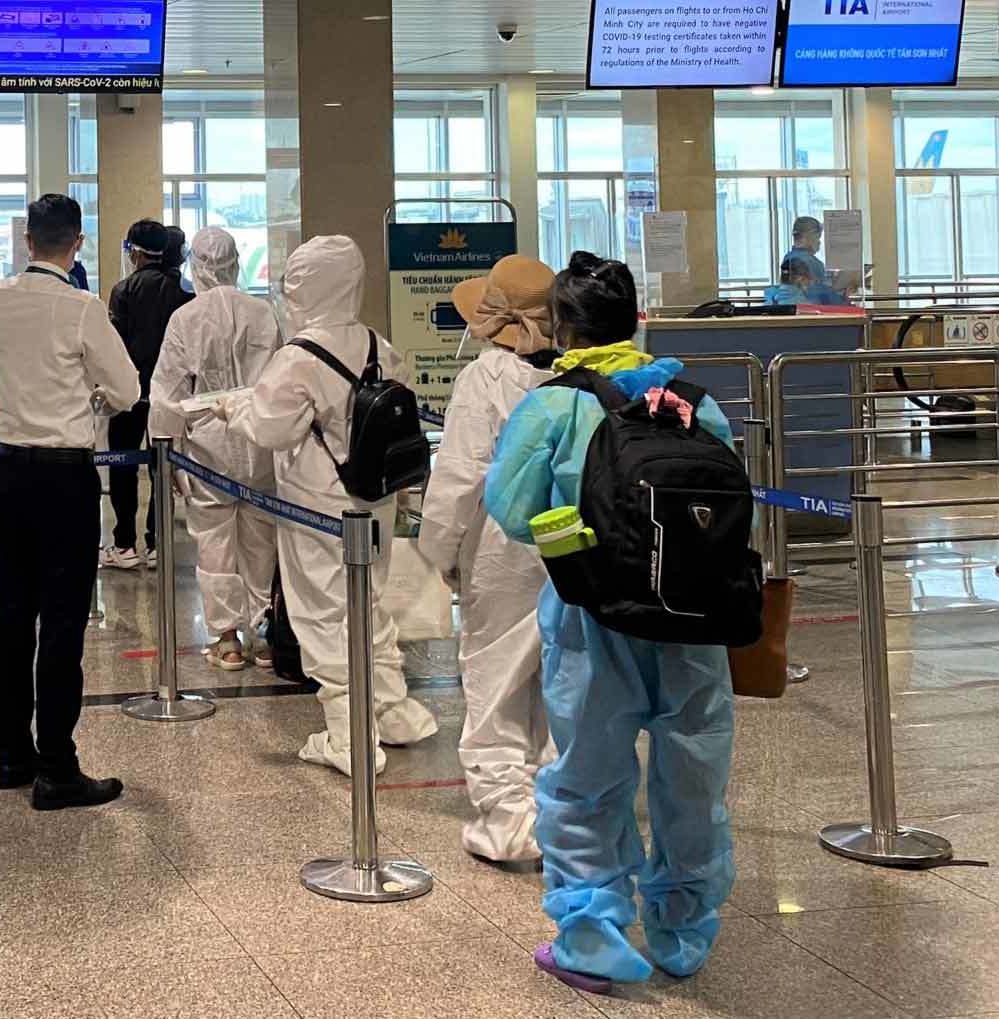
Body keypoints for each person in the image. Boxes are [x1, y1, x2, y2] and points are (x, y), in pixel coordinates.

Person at [485, 252, 736, 988]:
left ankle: (593, 934)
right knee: (692, 775)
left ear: (562, 328)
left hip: (593, 615)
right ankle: (683, 928)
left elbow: (511, 510)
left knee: (587, 776)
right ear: (636, 322)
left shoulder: (553, 406)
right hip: (692, 620)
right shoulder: (693, 401)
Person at [0, 194, 139, 812]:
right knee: (63, 622)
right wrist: (94, 395)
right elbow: (128, 389)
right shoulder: (82, 308)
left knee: (14, 613)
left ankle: (11, 756)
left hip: (11, 474)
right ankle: (57, 769)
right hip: (66, 479)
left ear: (28, 241)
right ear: (77, 243)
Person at [219, 235, 438, 777]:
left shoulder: (297, 357)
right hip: (374, 499)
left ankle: (348, 733)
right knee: (369, 600)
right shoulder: (377, 344)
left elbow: (271, 428)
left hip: (316, 506)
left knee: (322, 611)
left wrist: (232, 409)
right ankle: (391, 708)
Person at [418, 254, 557, 864]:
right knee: (560, 681)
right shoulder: (579, 373)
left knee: (495, 678)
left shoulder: (487, 378)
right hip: (572, 542)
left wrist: (437, 549)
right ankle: (559, 809)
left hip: (503, 546)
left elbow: (460, 474)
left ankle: (507, 819)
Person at [149, 227, 280, 670]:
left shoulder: (186, 319)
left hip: (208, 446)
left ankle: (227, 640)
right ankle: (265, 635)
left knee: (214, 543)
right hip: (259, 440)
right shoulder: (265, 313)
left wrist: (165, 453)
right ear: (235, 263)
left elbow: (167, 393)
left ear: (196, 266)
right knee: (262, 540)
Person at [105, 219, 194, 570]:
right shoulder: (183, 293)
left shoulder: (123, 290)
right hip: (169, 394)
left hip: (129, 393)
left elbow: (115, 347)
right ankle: (158, 542)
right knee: (163, 466)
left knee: (122, 466)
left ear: (135, 252)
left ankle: (124, 543)